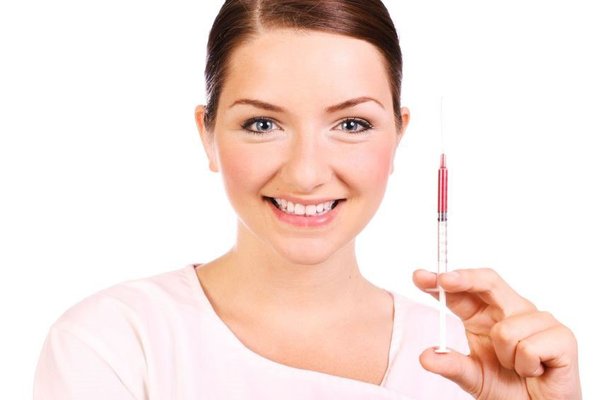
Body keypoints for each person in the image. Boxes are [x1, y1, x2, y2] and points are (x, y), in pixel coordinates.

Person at [33, 0, 582, 399]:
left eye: (351, 124)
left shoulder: (466, 361)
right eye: (262, 123)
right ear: (208, 135)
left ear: (399, 135)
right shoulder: (115, 341)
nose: (306, 172)